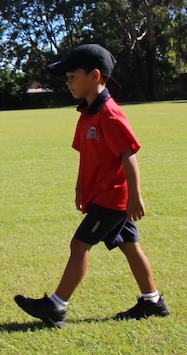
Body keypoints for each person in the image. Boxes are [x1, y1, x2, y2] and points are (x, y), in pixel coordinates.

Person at [15, 44, 170, 327]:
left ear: (95, 76)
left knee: (79, 245)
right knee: (130, 246)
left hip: (113, 198)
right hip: (100, 195)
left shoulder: (109, 114)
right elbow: (86, 156)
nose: (68, 81)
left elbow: (128, 154)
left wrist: (135, 196)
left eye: (73, 76)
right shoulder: (87, 113)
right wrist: (79, 187)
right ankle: (153, 301)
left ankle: (56, 306)